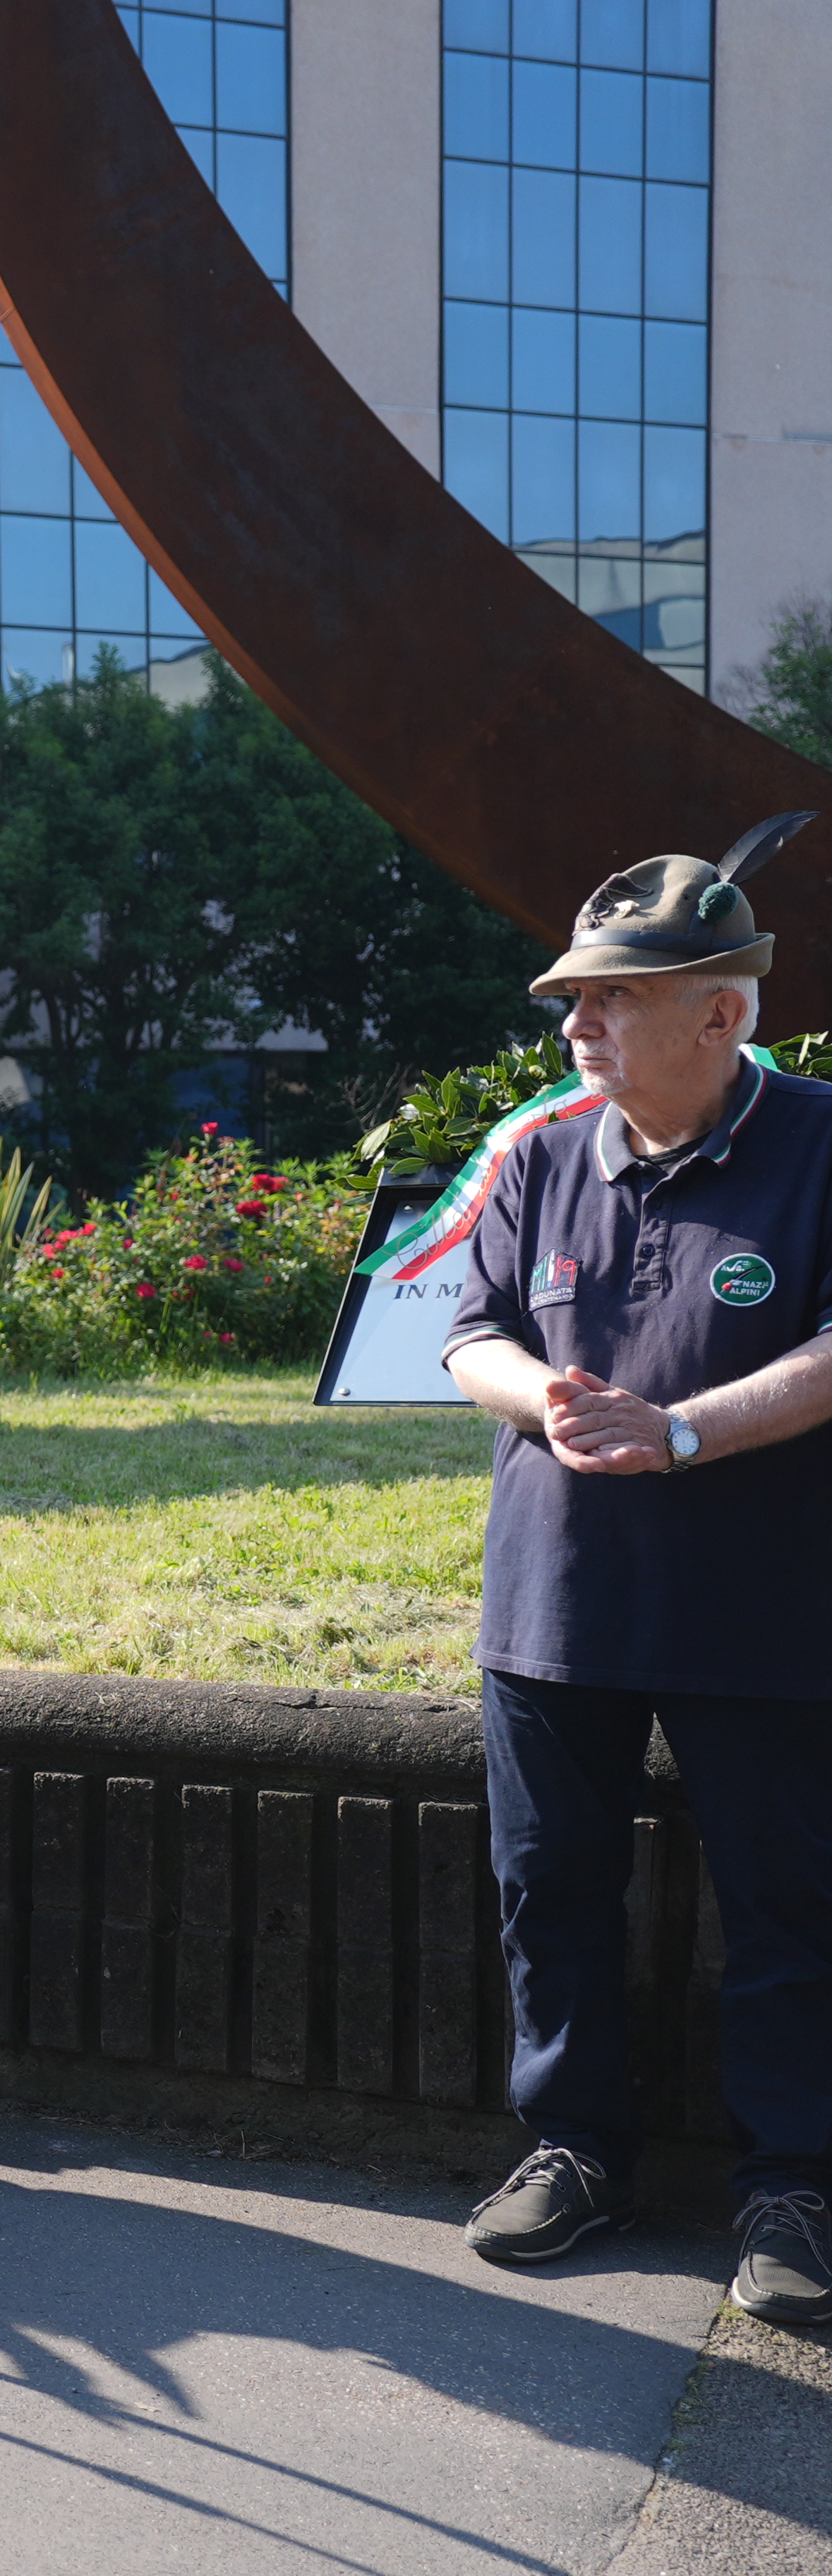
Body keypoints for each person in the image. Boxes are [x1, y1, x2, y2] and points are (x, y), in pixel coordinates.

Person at [437, 841, 832, 2329]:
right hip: (558, 1600)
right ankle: (573, 2146)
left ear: (724, 1014)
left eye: (611, 1000)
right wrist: (548, 1400)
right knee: (551, 1888)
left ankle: (793, 2182)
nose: (574, 1028)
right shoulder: (543, 1154)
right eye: (572, 1001)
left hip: (769, 1605)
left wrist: (679, 1431)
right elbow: (471, 1331)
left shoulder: (822, 1143)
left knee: (789, 1904)